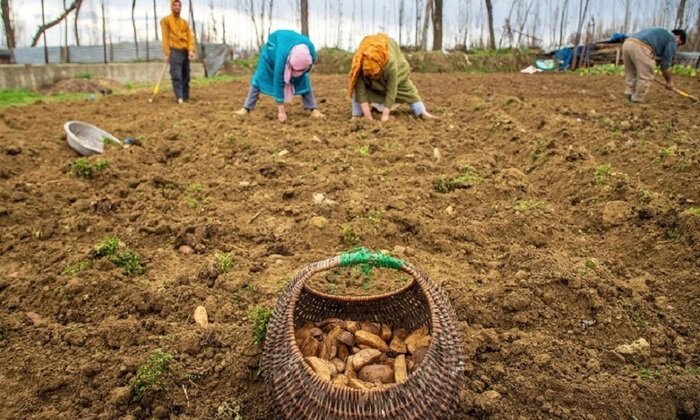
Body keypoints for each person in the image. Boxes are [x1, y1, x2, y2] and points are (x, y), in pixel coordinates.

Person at [234, 30, 323, 122]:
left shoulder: (311, 53)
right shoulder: (281, 56)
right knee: (260, 78)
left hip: (291, 54)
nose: (297, 72)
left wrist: (300, 72)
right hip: (271, 53)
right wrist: (281, 111)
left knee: (304, 80)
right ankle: (246, 108)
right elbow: (278, 80)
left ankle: (313, 109)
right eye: (295, 70)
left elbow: (307, 68)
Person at [348, 33, 434, 121]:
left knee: (409, 91)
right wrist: (368, 117)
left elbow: (391, 91)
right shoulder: (359, 66)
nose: (373, 77)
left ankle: (421, 111)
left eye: (375, 74)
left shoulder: (390, 64)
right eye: (370, 75)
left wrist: (385, 115)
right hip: (371, 84)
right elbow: (361, 92)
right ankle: (356, 115)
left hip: (396, 74)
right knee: (357, 92)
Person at [622, 27, 687, 103]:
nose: (676, 46)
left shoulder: (661, 33)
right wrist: (669, 81)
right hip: (642, 46)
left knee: (631, 73)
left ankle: (628, 95)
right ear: (678, 37)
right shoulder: (672, 39)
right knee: (645, 77)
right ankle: (636, 100)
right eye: (679, 44)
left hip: (627, 43)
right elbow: (665, 65)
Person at [160, 0, 196, 104]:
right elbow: (165, 37)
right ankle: (179, 97)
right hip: (174, 52)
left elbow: (190, 37)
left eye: (179, 5)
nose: (177, 7)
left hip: (184, 51)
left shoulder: (184, 22)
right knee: (176, 75)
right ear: (171, 6)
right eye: (175, 5)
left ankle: (185, 97)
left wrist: (191, 50)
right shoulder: (166, 21)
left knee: (186, 76)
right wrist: (166, 53)